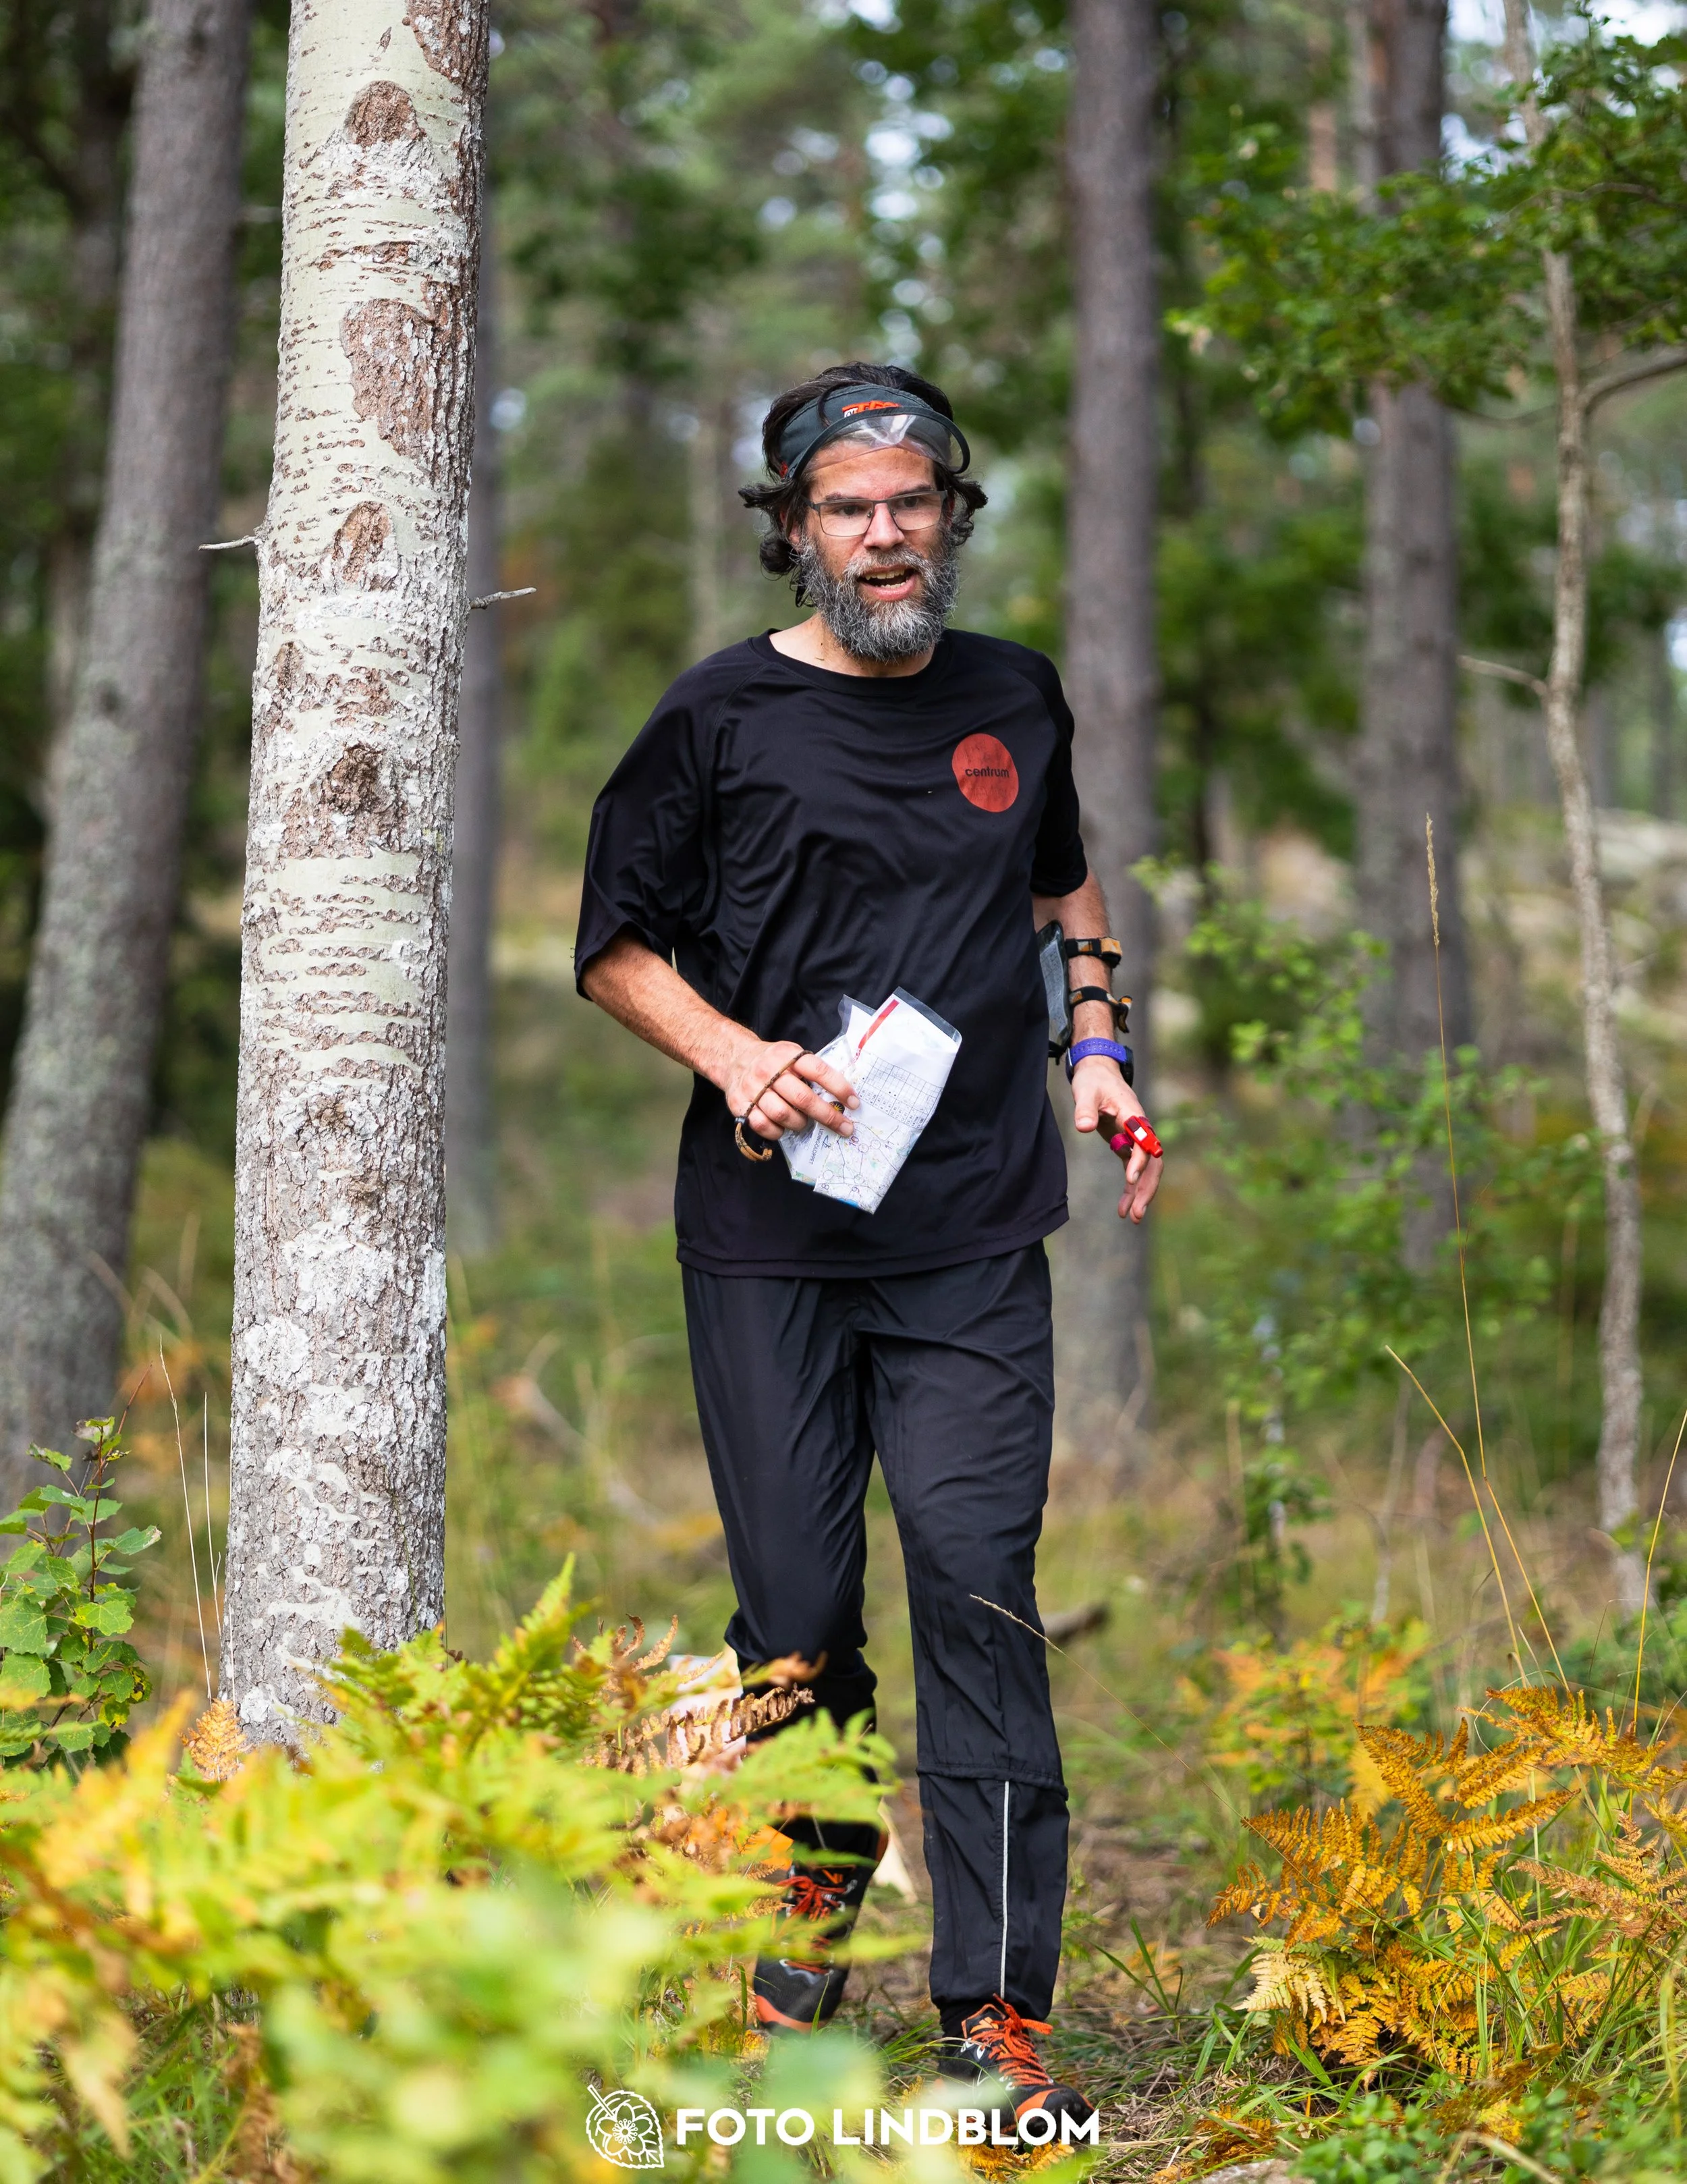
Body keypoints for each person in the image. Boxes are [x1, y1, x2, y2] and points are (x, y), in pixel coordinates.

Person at [576, 360, 1161, 2133]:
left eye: (910, 502)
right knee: (800, 1626)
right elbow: (612, 946)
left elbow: (1064, 886)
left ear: (948, 515)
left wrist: (1098, 1044)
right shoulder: (716, 719)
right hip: (768, 1241)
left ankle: (994, 2015)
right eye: (848, 507)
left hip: (976, 1229)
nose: (885, 533)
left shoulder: (1014, 695)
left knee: (979, 1588)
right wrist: (738, 1056)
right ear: (795, 533)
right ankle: (792, 1981)